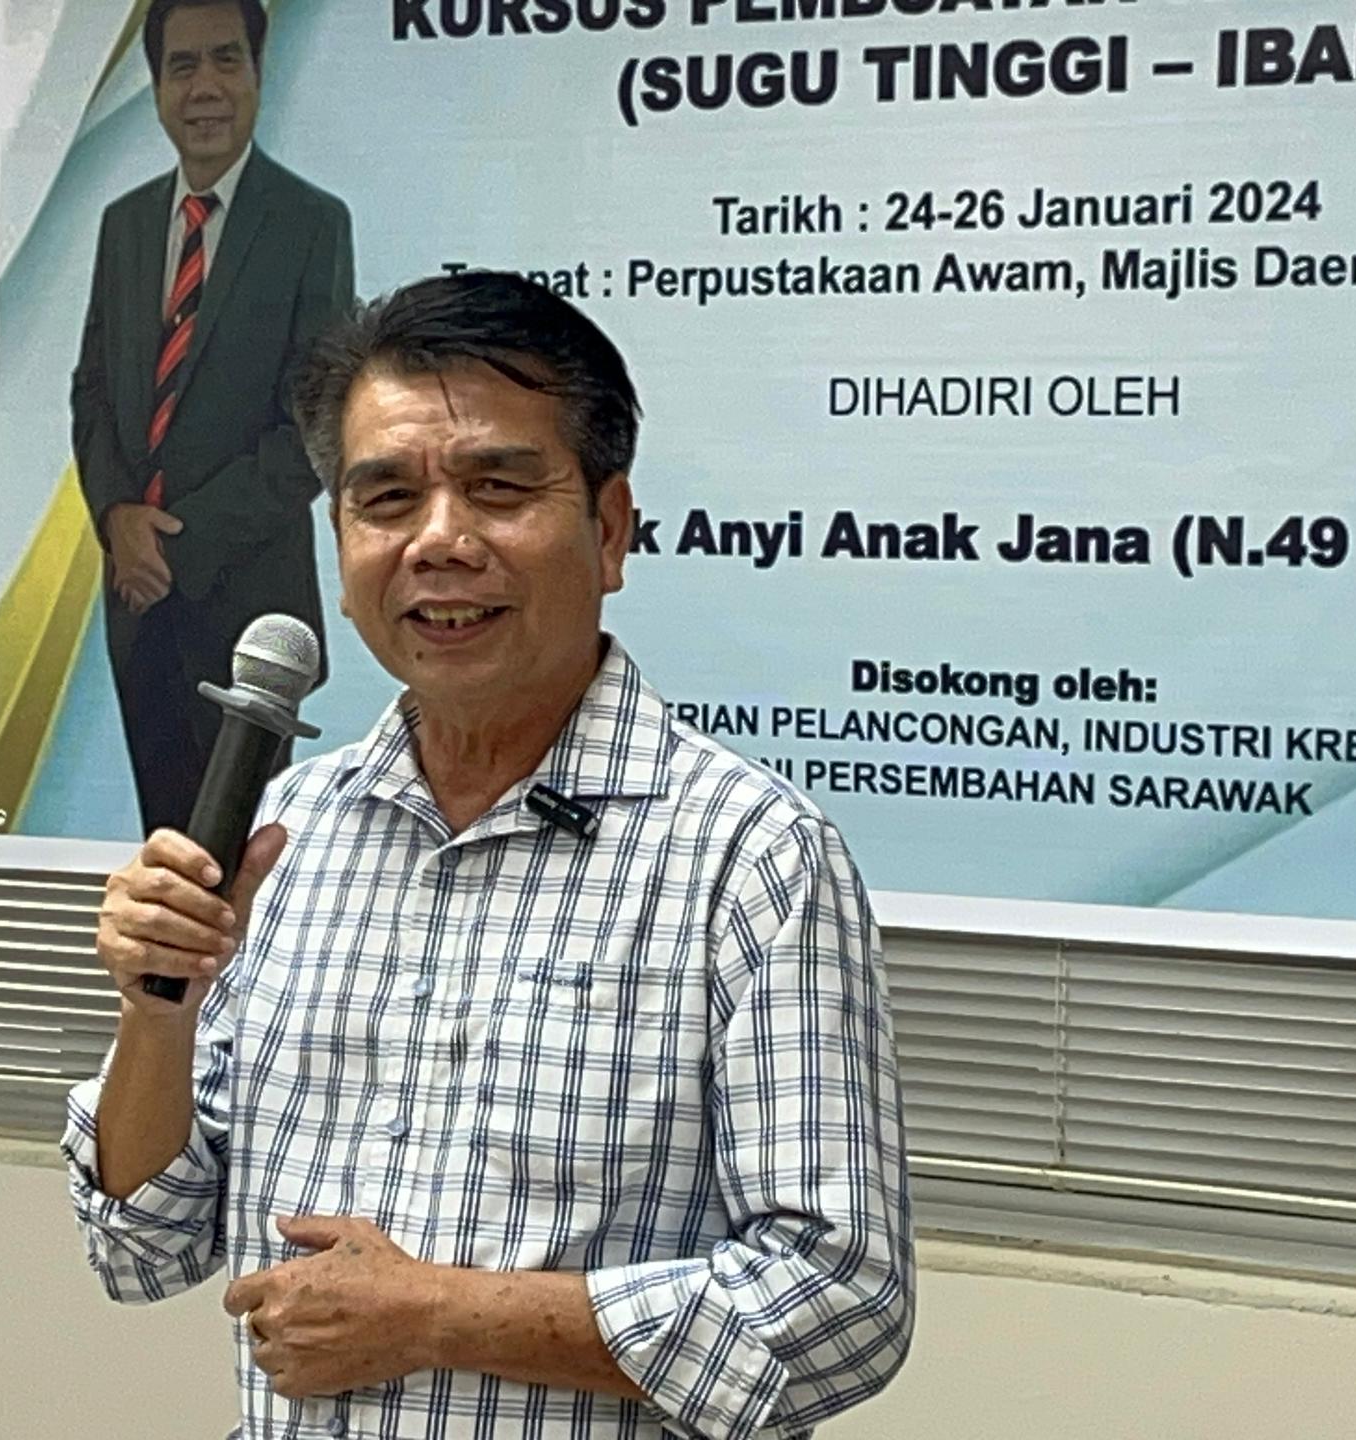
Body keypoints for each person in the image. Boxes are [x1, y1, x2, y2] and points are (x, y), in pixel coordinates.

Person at [62, 272, 914, 1439]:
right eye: (388, 499)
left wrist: (437, 1316)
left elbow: (835, 1307)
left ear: (608, 529)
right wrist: (155, 1012)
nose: (440, 542)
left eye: (498, 489)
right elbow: (140, 1244)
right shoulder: (287, 831)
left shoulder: (749, 858)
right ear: (338, 542)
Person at [71, 0, 355, 835]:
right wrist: (116, 517)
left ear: (258, 75)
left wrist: (172, 545)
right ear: (158, 88)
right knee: (163, 857)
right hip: (139, 613)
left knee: (238, 869)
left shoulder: (311, 224)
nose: (204, 86)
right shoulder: (124, 226)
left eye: (226, 59)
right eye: (182, 65)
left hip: (248, 618)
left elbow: (317, 424)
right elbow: (93, 391)